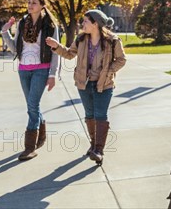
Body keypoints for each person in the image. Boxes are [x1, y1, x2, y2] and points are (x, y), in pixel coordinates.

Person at [46, 9, 126, 165]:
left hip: (104, 84)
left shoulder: (112, 40)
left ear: (95, 23)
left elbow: (121, 60)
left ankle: (99, 150)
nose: (82, 24)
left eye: (85, 21)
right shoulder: (81, 39)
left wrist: (109, 71)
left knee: (100, 115)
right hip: (84, 83)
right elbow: (70, 54)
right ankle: (94, 145)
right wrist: (57, 47)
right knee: (89, 114)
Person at [1, 0, 60, 161]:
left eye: (34, 2)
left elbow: (56, 51)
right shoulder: (22, 23)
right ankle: (41, 127)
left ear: (42, 5)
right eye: (28, 2)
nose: (30, 5)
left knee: (32, 105)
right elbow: (15, 48)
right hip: (23, 69)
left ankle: (29, 147)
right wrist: (5, 32)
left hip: (41, 69)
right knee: (32, 106)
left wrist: (53, 74)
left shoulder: (49, 25)